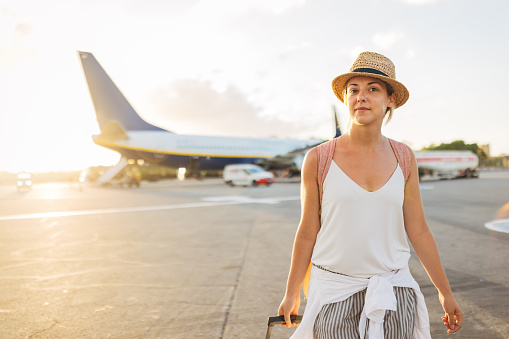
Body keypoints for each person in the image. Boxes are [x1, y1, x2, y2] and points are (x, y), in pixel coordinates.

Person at [278, 51, 462, 338]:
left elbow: (419, 229)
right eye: (354, 90)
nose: (360, 97)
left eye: (372, 89)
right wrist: (291, 293)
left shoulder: (404, 157)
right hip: (334, 293)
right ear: (346, 98)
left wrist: (445, 293)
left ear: (391, 99)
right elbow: (307, 231)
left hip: (393, 292)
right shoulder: (319, 158)